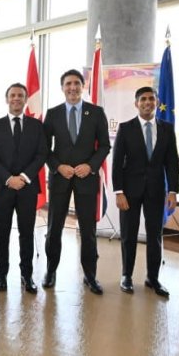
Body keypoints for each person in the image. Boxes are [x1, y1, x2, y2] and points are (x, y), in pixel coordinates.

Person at [42, 69, 111, 294]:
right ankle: (50, 271)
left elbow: (104, 145)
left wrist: (90, 166)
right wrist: (57, 166)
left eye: (76, 83)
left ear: (83, 86)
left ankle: (90, 275)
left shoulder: (96, 112)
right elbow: (44, 148)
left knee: (88, 230)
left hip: (86, 179)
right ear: (62, 88)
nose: (72, 87)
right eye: (68, 84)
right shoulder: (53, 114)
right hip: (60, 178)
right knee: (54, 228)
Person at [112, 86, 179, 298]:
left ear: (157, 102)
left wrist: (173, 191)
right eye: (143, 99)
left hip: (157, 191)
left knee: (155, 236)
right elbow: (117, 163)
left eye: (151, 98)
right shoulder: (126, 128)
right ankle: (126, 276)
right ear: (136, 103)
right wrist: (119, 192)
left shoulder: (167, 128)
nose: (148, 102)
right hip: (129, 192)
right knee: (128, 235)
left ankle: (153, 278)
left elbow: (172, 162)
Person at [0, 83, 47, 294]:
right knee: (2, 233)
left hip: (27, 188)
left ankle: (27, 275)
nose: (16, 98)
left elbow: (41, 154)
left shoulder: (36, 125)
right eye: (12, 95)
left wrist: (23, 177)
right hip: (3, 188)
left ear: (26, 99)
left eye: (20, 95)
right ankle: (1, 274)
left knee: (26, 233)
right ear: (7, 99)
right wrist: (8, 178)